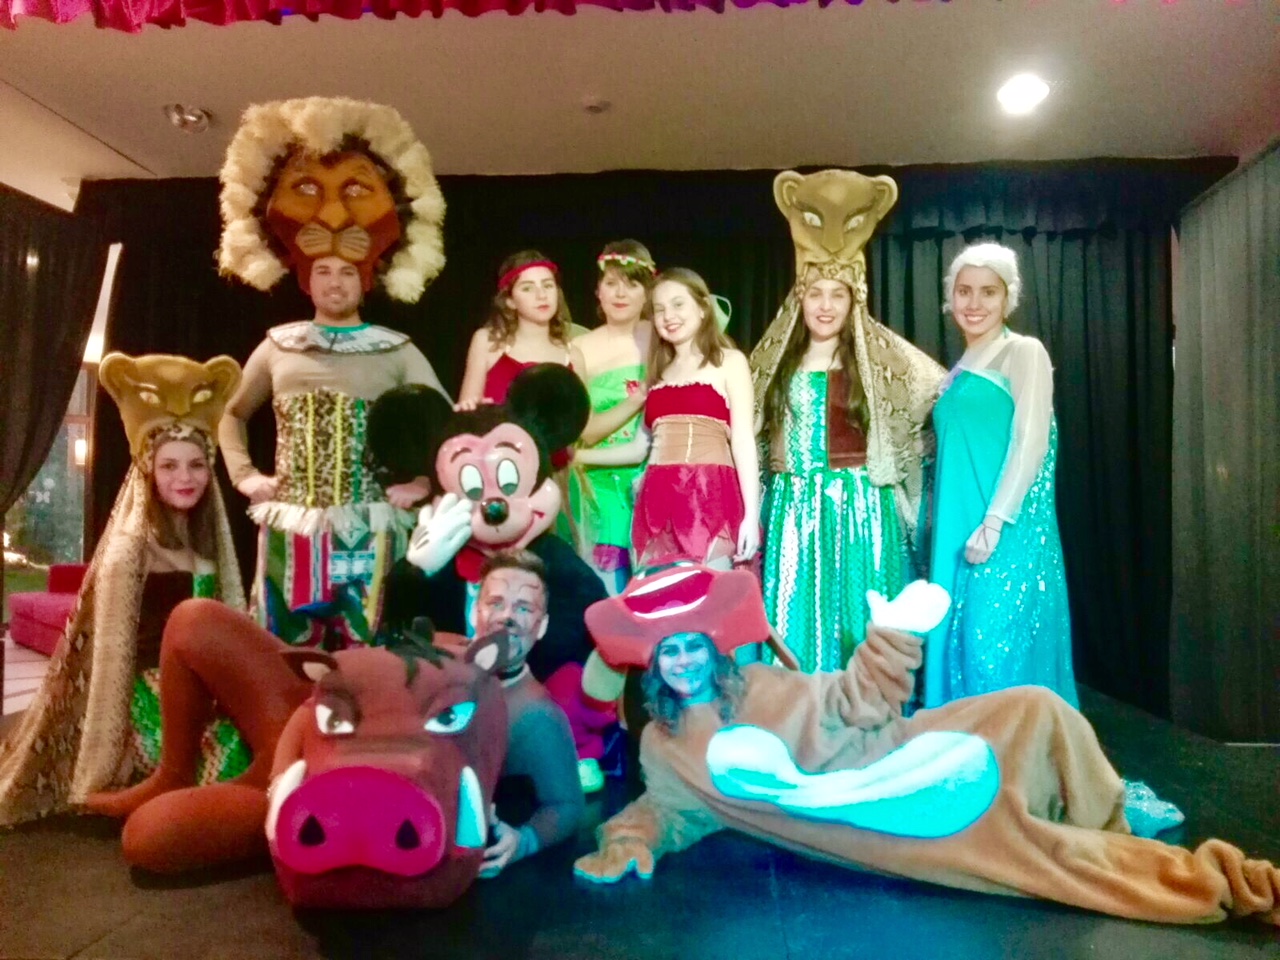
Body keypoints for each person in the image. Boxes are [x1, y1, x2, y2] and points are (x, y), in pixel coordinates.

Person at [573, 569, 1280, 929]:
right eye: (670, 652)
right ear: (653, 664)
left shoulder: (758, 683)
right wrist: (630, 841)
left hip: (895, 745)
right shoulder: (664, 745)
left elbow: (853, 704)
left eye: (693, 646)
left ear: (712, 647)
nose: (685, 662)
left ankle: (1112, 811)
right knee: (1032, 847)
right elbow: (667, 811)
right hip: (879, 812)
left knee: (1037, 708)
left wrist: (890, 640)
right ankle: (1213, 878)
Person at [214, 97, 451, 648]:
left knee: (371, 649)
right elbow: (230, 413)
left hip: (371, 527)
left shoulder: (396, 350)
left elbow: (446, 422)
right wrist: (245, 476)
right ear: (307, 278)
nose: (335, 282)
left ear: (364, 280)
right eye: (324, 271)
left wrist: (422, 482)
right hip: (291, 527)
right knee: (283, 650)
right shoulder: (277, 345)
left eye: (346, 272)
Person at [0, 353, 246, 825]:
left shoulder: (209, 541)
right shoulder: (133, 547)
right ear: (149, 469)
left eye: (196, 465)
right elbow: (114, 653)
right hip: (149, 691)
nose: (184, 478)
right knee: (224, 757)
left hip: (206, 683)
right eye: (170, 466)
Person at [751, 168, 945, 673]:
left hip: (860, 505)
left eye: (837, 294)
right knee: (796, 616)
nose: (825, 305)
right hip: (795, 507)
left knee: (859, 619)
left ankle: (867, 709)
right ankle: (800, 708)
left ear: (853, 298)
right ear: (800, 297)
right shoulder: (775, 362)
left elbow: (939, 392)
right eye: (816, 293)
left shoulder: (878, 360)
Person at [923, 243, 1077, 708]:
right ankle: (961, 745)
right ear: (950, 297)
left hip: (1001, 527)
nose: (974, 303)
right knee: (958, 647)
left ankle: (1009, 749)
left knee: (992, 651)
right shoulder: (956, 372)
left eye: (988, 292)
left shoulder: (1022, 351)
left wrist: (995, 522)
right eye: (964, 291)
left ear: (1008, 296)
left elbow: (1032, 441)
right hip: (956, 525)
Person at [578, 268, 760, 572]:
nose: (668, 316)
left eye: (678, 304)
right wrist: (575, 458)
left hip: (709, 495)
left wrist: (751, 516)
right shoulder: (659, 372)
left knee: (710, 591)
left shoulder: (729, 362)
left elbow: (743, 440)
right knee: (658, 593)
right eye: (659, 309)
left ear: (702, 308)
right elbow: (638, 448)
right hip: (658, 497)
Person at [469, 551, 585, 877]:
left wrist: (523, 842)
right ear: (476, 611)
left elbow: (568, 805)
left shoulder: (538, 716)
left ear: (541, 625)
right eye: (496, 603)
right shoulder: (444, 672)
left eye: (523, 608)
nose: (507, 616)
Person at [567, 240, 656, 594]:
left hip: (654, 476)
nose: (621, 294)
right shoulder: (580, 349)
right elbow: (586, 430)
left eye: (632, 284)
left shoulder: (661, 338)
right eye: (611, 283)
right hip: (598, 483)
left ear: (647, 293)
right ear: (598, 291)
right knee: (606, 594)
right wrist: (635, 402)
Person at [457, 250, 575, 411]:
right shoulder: (488, 342)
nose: (542, 295)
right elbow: (467, 413)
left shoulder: (572, 356)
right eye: (527, 288)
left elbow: (584, 422)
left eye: (548, 285)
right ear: (510, 301)